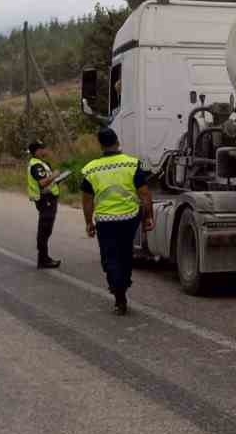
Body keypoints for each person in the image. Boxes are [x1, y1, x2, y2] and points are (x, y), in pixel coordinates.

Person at [80, 128, 154, 315]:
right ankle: (123, 283)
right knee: (125, 253)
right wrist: (148, 217)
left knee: (110, 257)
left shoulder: (91, 168)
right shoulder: (131, 164)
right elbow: (145, 194)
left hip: (105, 221)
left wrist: (89, 222)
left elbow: (87, 200)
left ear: (100, 144)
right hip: (129, 218)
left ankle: (118, 292)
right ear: (117, 142)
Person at [26, 141, 63, 269]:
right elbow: (42, 182)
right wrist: (54, 176)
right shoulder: (36, 165)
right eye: (43, 148)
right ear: (37, 151)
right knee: (45, 228)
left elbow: (48, 181)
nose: (45, 150)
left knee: (46, 228)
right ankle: (43, 259)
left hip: (48, 198)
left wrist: (57, 178)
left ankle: (44, 258)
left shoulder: (42, 163)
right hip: (45, 199)